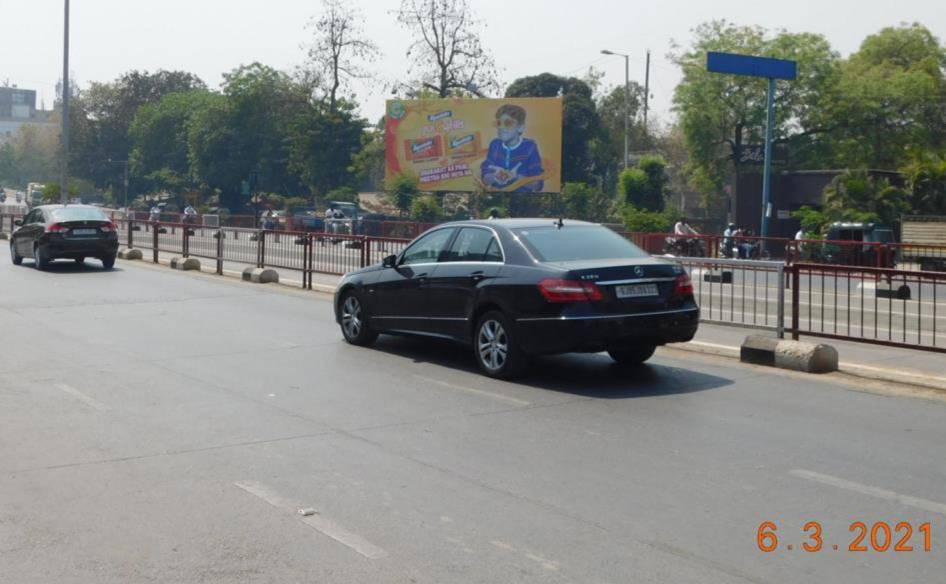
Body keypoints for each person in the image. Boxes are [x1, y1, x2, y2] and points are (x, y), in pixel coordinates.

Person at [481, 104, 544, 192]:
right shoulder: (495, 144)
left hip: (522, 198)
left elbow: (537, 185)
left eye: (508, 123)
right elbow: (485, 178)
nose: (501, 127)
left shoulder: (530, 147)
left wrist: (516, 177)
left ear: (520, 128)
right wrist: (494, 176)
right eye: (499, 123)